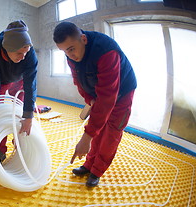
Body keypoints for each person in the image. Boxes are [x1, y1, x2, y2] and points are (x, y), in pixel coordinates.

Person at [53, 22, 137, 187]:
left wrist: (86, 137)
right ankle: (88, 164)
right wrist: (90, 99)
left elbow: (108, 97)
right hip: (101, 94)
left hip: (122, 93)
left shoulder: (106, 51)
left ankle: (97, 171)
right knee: (97, 131)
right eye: (64, 51)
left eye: (71, 49)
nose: (69, 55)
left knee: (111, 133)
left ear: (83, 39)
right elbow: (78, 81)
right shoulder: (72, 55)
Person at [0, 20, 38, 162]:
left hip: (20, 80)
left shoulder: (29, 53)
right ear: (7, 48)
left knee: (21, 113)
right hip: (0, 80)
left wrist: (29, 116)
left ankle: (20, 145)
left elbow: (30, 85)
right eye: (19, 53)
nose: (23, 57)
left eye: (26, 53)